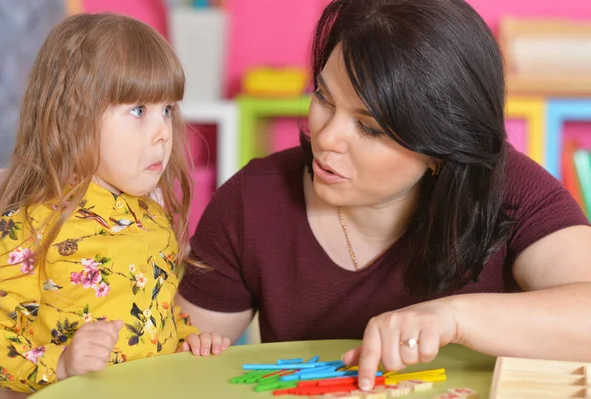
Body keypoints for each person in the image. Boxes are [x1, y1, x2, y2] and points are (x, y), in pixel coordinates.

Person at [177, 0, 591, 391]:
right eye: (323, 97)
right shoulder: (255, 200)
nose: (327, 136)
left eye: (369, 127)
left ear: (439, 151)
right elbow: (175, 363)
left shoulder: (505, 185)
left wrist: (453, 317)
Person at [0, 13, 229, 395]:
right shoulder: (27, 225)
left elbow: (154, 316)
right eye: (138, 110)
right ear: (73, 117)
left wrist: (188, 338)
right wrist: (62, 363)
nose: (163, 132)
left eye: (167, 110)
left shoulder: (153, 216)